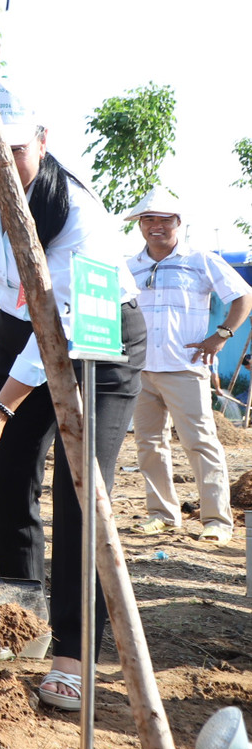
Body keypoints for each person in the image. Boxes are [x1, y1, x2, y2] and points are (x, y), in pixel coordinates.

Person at [0, 84, 146, 711]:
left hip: (98, 336)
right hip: (27, 326)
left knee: (83, 489)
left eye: (13, 150)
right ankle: (19, 617)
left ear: (42, 143)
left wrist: (2, 403)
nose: (0, 165)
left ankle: (73, 653)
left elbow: (67, 320)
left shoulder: (81, 213)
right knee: (9, 466)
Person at [124, 188, 251, 544]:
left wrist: (222, 334)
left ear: (178, 222)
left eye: (165, 219)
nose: (156, 226)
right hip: (141, 369)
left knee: (200, 443)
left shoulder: (201, 260)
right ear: (139, 225)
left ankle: (216, 520)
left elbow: (243, 295)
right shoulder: (130, 267)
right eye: (149, 219)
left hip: (185, 367)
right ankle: (162, 515)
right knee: (149, 445)